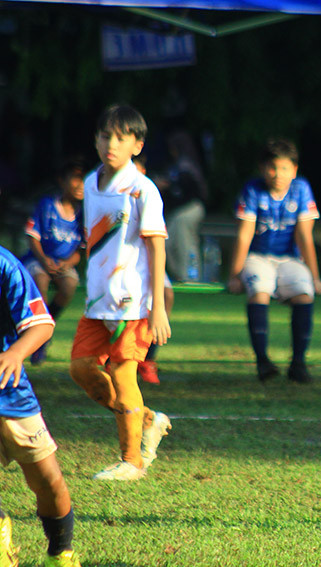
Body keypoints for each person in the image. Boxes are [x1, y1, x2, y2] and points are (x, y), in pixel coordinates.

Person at [68, 104, 173, 482]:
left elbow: (156, 246)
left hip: (133, 303)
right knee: (81, 369)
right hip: (98, 301)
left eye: (120, 137)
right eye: (104, 135)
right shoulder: (92, 185)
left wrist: (158, 307)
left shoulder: (142, 190)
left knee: (123, 375)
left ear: (137, 145)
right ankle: (146, 420)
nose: (110, 143)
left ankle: (132, 462)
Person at [0, 246, 90, 567]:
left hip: (10, 391)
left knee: (48, 482)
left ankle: (60, 553)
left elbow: (40, 324)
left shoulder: (5, 266)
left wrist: (15, 353)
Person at [227, 138, 321, 383]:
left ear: (294, 170)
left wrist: (314, 276)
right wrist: (235, 273)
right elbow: (244, 234)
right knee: (259, 291)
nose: (277, 174)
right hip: (258, 257)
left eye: (284, 168)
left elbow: (304, 236)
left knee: (304, 293)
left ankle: (298, 363)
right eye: (272, 167)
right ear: (262, 168)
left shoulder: (301, 188)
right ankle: (263, 361)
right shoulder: (252, 189)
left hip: (289, 258)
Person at [19, 156, 87, 366]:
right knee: (40, 282)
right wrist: (44, 259)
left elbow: (82, 247)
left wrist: (68, 263)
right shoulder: (48, 205)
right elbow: (33, 236)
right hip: (39, 259)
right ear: (62, 181)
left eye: (82, 180)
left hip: (63, 262)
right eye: (74, 179)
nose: (79, 185)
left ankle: (45, 329)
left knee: (69, 285)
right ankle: (36, 336)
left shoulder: (83, 213)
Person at [133, 154, 175, 384]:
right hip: (121, 266)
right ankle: (112, 358)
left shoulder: (149, 194)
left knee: (166, 295)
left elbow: (156, 241)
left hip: (147, 260)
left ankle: (148, 358)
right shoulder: (105, 191)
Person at [157, 130, 209, 283]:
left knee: (185, 242)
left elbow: (190, 190)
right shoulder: (176, 164)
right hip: (179, 212)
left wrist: (169, 185)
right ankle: (179, 275)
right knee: (167, 242)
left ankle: (191, 277)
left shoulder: (187, 164)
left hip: (191, 208)